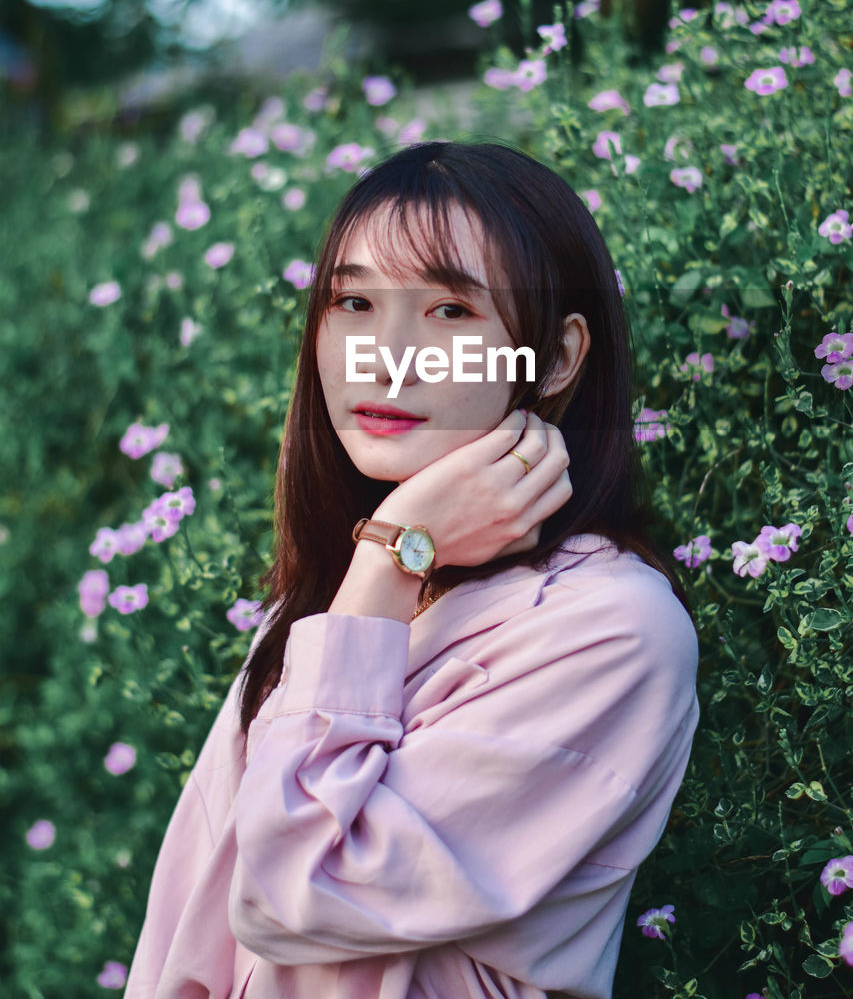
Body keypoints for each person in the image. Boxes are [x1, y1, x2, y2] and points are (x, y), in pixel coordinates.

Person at [126, 140, 699, 999]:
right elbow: (185, 934)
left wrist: (397, 543)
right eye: (353, 300)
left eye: (450, 313)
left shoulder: (611, 630)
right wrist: (389, 559)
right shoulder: (334, 601)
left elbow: (294, 892)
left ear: (554, 358)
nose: (385, 356)